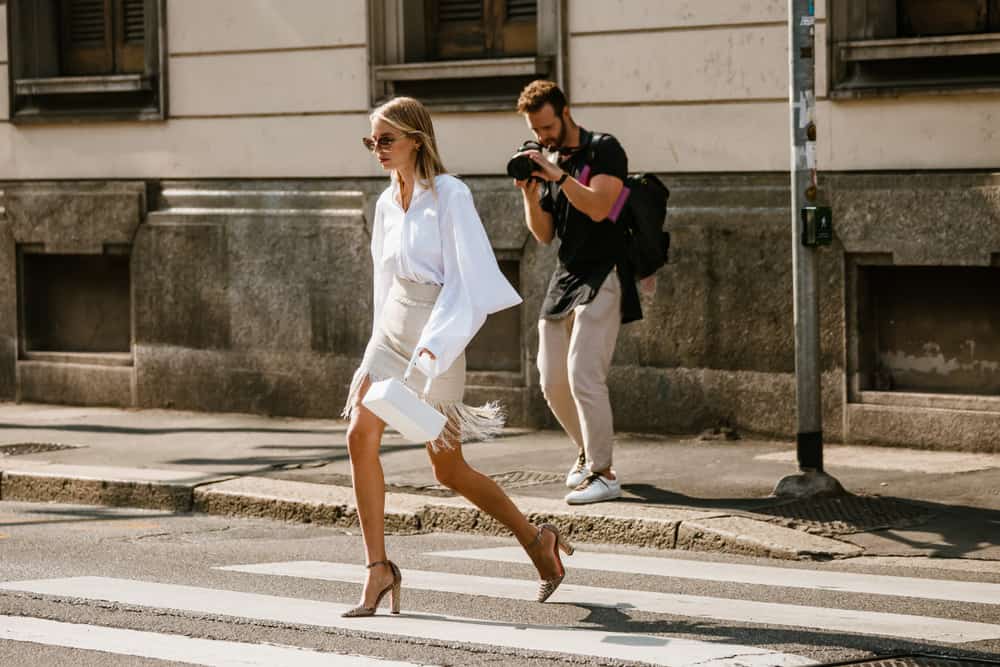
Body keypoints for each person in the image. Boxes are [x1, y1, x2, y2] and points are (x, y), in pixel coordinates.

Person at [341, 96, 574, 617]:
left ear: (416, 140)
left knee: (447, 469)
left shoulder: (450, 195)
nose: (377, 149)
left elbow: (466, 281)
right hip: (391, 330)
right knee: (358, 435)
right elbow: (385, 282)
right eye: (371, 141)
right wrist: (369, 357)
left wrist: (431, 350)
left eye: (386, 140)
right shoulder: (385, 203)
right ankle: (378, 569)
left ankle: (537, 540)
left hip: (437, 334)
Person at [514, 80, 642, 505]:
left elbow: (600, 206)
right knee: (551, 379)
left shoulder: (604, 149)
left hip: (605, 270)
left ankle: (604, 473)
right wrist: (532, 196)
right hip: (566, 273)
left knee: (583, 372)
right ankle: (588, 453)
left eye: (548, 127)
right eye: (536, 130)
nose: (543, 137)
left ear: (565, 113)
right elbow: (545, 235)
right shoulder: (547, 158)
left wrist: (558, 175)